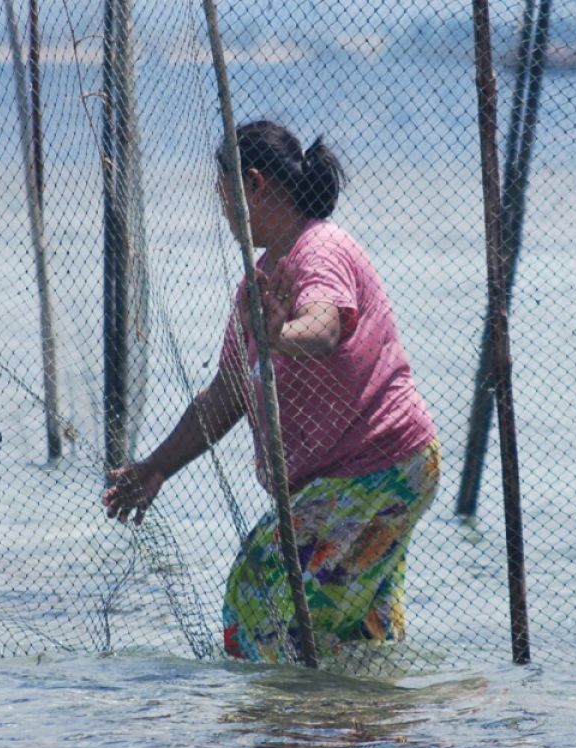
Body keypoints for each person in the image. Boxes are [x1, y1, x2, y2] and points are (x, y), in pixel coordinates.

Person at [102, 120, 440, 662]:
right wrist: (156, 468)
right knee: (354, 634)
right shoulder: (259, 284)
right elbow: (227, 395)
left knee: (258, 585)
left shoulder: (318, 250)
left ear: (254, 185)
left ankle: (275, 732)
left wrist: (281, 334)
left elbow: (324, 328)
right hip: (375, 472)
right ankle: (366, 731)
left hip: (378, 467)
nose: (223, 212)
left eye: (225, 196)